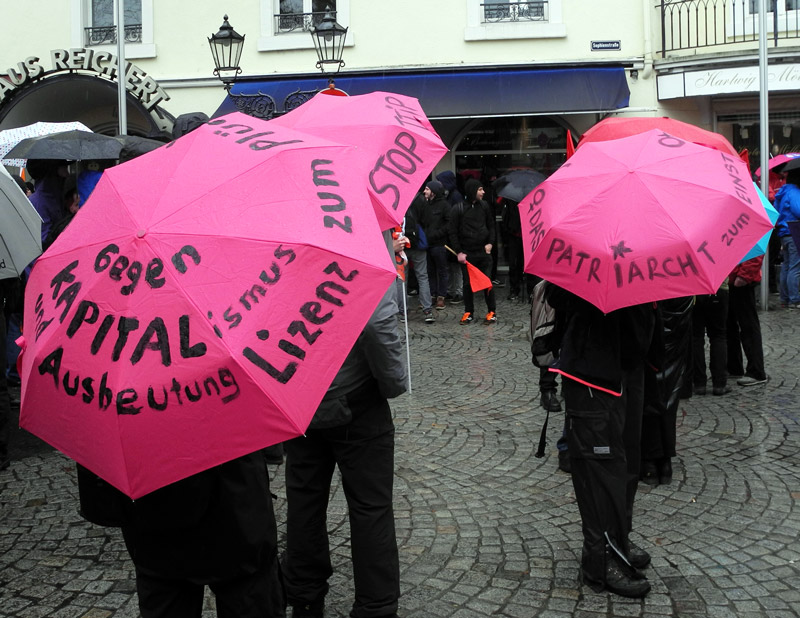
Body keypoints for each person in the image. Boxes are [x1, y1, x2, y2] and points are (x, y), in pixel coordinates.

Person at [282, 284, 408, 618]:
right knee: (370, 506)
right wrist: (393, 382)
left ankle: (304, 597)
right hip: (356, 395)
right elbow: (377, 323)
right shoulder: (362, 250)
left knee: (304, 500)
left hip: (299, 392)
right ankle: (376, 607)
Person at [547, 284, 661, 598]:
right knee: (600, 468)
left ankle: (619, 538)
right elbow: (555, 296)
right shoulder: (580, 255)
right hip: (592, 370)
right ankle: (601, 558)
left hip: (629, 364)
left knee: (626, 463)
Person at [641, 296, 693, 486]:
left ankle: (650, 460)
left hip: (651, 331)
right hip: (676, 334)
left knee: (649, 394)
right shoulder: (684, 284)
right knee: (669, 395)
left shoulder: (645, 289)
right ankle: (664, 462)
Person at [449, 178, 497, 325]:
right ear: (472, 191)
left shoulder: (485, 206)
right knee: (467, 284)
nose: (483, 192)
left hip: (483, 252)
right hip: (467, 253)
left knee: (487, 282)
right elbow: (452, 232)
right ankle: (468, 312)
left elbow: (491, 226)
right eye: (480, 189)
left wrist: (490, 243)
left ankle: (492, 311)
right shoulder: (458, 209)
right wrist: (459, 252)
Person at [727, 257, 768, 387]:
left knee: (748, 326)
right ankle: (734, 367)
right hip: (728, 278)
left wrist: (745, 275)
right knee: (728, 326)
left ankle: (756, 371)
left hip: (740, 279)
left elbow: (755, 252)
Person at [691, 282, 731, 396]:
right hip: (718, 289)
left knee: (696, 338)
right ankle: (719, 384)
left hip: (696, 291)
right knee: (718, 336)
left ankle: (699, 384)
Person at [403, 193, 435, 323]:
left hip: (402, 242)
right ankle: (427, 310)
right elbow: (428, 220)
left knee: (402, 278)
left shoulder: (397, 196)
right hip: (418, 243)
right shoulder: (420, 199)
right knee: (422, 276)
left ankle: (402, 310)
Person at [423, 180, 451, 310]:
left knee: (442, 271)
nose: (425, 191)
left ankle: (441, 297)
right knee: (430, 271)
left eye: (427, 189)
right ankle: (432, 294)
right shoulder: (426, 205)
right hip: (428, 244)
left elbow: (449, 224)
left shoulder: (444, 205)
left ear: (433, 192)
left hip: (440, 244)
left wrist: (437, 234)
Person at [437, 171, 464, 303]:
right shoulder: (448, 195)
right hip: (449, 235)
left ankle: (458, 291)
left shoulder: (455, 197)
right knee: (450, 265)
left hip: (454, 235)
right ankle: (452, 290)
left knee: (456, 266)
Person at [775, 168, 800, 308]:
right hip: (794, 232)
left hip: (784, 232)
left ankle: (784, 298)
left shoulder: (783, 192)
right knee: (795, 267)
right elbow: (799, 211)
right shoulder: (794, 192)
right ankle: (794, 300)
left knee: (786, 266)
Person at [27, 159, 69, 242]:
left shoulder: (58, 196)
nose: (67, 174)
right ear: (52, 172)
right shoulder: (38, 201)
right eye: (64, 169)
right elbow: (44, 239)